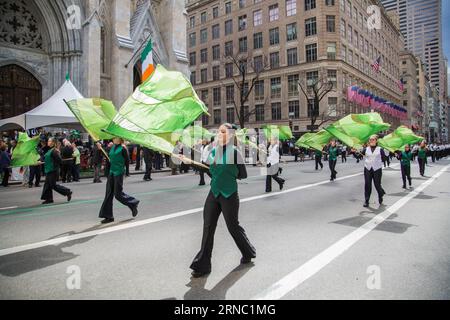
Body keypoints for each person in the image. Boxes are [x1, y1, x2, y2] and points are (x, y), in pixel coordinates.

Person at [190, 123, 256, 278]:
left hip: (229, 194)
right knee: (208, 227)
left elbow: (243, 174)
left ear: (230, 135)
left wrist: (228, 173)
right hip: (214, 193)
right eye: (218, 131)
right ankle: (203, 265)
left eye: (222, 131)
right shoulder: (213, 151)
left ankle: (248, 251)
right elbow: (208, 170)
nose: (219, 133)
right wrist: (190, 161)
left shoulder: (235, 152)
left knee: (233, 227)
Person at [99, 137, 139, 224]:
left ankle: (133, 203)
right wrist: (99, 147)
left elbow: (127, 161)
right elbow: (106, 153)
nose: (114, 139)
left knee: (118, 194)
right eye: (113, 138)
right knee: (108, 194)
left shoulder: (123, 148)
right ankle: (108, 216)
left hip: (119, 172)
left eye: (116, 138)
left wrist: (127, 172)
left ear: (120, 139)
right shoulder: (112, 147)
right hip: (111, 172)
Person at [41, 138, 73, 204]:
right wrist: (40, 161)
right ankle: (49, 199)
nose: (48, 142)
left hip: (53, 170)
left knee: (53, 185)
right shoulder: (50, 150)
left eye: (49, 141)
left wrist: (55, 165)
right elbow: (47, 159)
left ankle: (67, 192)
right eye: (48, 141)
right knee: (47, 185)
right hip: (49, 170)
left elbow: (59, 160)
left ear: (53, 143)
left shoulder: (54, 151)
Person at [358, 135, 386, 208]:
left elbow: (384, 159)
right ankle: (366, 201)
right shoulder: (366, 149)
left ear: (376, 141)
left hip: (377, 169)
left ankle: (380, 195)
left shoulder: (380, 149)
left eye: (373, 139)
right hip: (367, 169)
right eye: (370, 140)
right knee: (367, 184)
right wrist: (354, 152)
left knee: (377, 185)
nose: (371, 141)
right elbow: (359, 156)